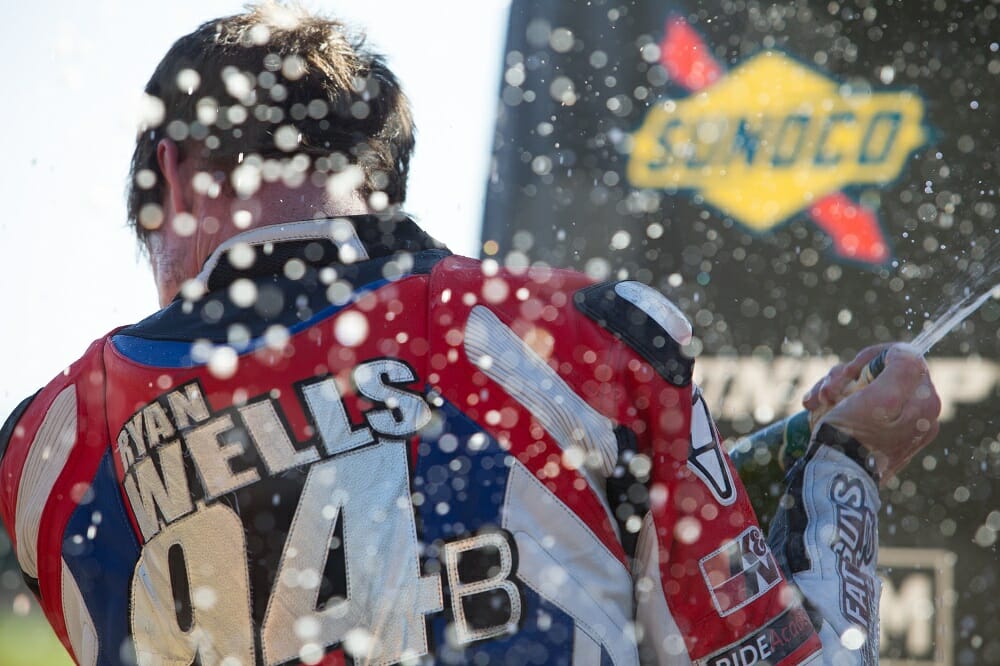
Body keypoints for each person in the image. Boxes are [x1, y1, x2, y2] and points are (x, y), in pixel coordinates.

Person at [0, 3, 940, 665]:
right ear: (383, 176)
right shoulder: (589, 340)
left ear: (172, 172)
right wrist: (845, 465)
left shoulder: (45, 452)